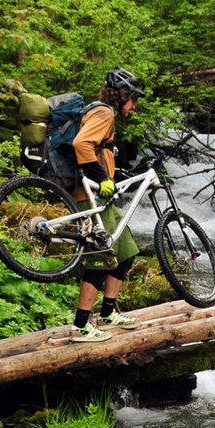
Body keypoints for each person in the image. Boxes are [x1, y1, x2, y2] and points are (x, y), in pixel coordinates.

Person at [68, 67, 146, 342]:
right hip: (88, 196)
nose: (134, 105)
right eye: (133, 98)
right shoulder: (105, 112)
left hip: (102, 197)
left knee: (125, 252)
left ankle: (108, 313)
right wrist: (102, 178)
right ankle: (80, 327)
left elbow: (99, 151)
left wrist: (115, 175)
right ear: (122, 94)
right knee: (101, 257)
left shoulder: (98, 111)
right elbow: (82, 144)